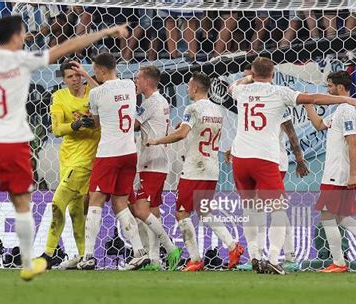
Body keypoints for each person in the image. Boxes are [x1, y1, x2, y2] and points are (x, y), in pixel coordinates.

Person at [0, 15, 128, 281]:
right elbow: (70, 45)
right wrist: (108, 29)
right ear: (18, 35)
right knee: (22, 204)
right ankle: (26, 264)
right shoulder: (23, 60)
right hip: (13, 141)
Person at [228, 57, 356, 275]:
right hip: (264, 158)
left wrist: (248, 78)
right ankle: (274, 258)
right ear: (273, 74)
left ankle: (254, 254)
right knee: (278, 209)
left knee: (249, 208)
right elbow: (313, 98)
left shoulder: (241, 91)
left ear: (253, 73)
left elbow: (232, 87)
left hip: (240, 157)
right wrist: (346, 99)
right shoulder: (278, 92)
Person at [147, 72, 244, 272]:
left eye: (189, 85)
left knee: (182, 213)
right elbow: (196, 130)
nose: (188, 89)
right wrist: (184, 126)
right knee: (204, 211)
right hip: (211, 166)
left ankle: (195, 259)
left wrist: (157, 140)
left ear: (195, 88)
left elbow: (182, 134)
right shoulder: (217, 110)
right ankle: (233, 247)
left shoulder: (192, 108)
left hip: (194, 167)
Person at [304, 71, 356, 273]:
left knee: (327, 215)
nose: (327, 90)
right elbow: (319, 124)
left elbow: (352, 142)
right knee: (340, 217)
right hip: (336, 170)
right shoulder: (340, 109)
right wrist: (307, 104)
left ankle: (339, 263)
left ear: (340, 87)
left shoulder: (347, 110)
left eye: (329, 86)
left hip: (339, 172)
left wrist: (351, 175)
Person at [76, 53, 149, 271]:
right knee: (120, 202)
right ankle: (139, 252)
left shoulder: (96, 94)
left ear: (99, 70)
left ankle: (88, 256)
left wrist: (86, 120)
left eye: (95, 71)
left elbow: (96, 122)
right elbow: (107, 91)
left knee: (95, 200)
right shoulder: (128, 85)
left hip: (108, 153)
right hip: (129, 153)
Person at [40, 61, 100, 270]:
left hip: (86, 159)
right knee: (75, 211)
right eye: (69, 77)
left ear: (82, 76)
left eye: (77, 76)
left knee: (58, 202)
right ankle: (85, 256)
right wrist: (74, 125)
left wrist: (95, 122)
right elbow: (56, 130)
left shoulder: (94, 92)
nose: (74, 80)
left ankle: (48, 253)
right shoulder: (59, 97)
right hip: (67, 159)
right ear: (64, 80)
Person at [132, 66, 182, 271]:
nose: (135, 82)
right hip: (157, 161)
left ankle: (170, 247)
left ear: (147, 81)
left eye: (137, 78)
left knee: (139, 209)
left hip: (152, 161)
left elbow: (133, 125)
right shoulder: (161, 101)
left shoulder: (151, 102)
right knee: (152, 212)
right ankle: (153, 259)